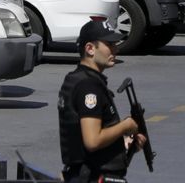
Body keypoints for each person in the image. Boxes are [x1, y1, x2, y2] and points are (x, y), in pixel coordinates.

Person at [58, 20, 147, 183]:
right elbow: (92, 141)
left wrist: (126, 145)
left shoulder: (76, 79)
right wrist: (126, 126)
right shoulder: (88, 86)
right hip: (92, 177)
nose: (116, 49)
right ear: (90, 49)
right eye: (109, 44)